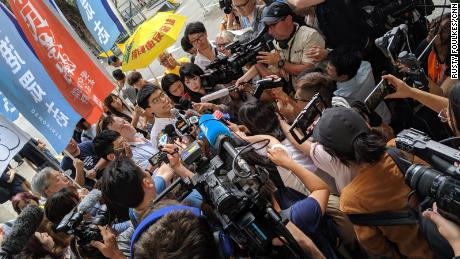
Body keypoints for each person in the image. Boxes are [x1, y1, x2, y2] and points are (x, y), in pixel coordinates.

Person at [311, 106, 433, 258]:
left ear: (335, 154)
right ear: (367, 126)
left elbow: (378, 249)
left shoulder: (352, 199)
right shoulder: (399, 147)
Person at [237, 2, 325, 93]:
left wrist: (279, 62)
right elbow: (278, 77)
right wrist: (247, 81)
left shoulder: (309, 36)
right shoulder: (275, 42)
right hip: (296, 95)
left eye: (273, 24)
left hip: (316, 95)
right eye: (267, 26)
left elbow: (308, 71)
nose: (270, 31)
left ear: (288, 19)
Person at [326, 47, 391, 124]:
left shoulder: (344, 96)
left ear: (343, 76)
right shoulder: (366, 67)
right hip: (384, 112)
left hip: (376, 124)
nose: (326, 69)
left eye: (329, 69)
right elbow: (352, 57)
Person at [383, 75, 460, 136]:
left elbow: (442, 92)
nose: (446, 114)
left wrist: (419, 74)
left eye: (449, 117)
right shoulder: (431, 56)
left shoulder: (453, 56)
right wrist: (410, 89)